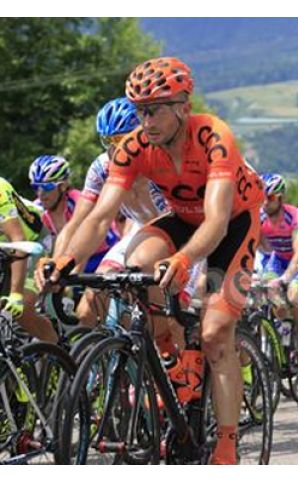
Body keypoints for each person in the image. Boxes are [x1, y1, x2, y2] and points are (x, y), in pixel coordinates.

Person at [39, 57, 264, 464]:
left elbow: (216, 221)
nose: (146, 121)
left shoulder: (213, 136)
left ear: (182, 107)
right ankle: (172, 359)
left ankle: (227, 445)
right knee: (136, 264)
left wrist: (183, 259)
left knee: (215, 334)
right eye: (140, 111)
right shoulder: (133, 147)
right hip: (181, 218)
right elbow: (100, 216)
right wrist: (66, 261)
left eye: (155, 110)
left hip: (233, 225)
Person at [43, 97, 169, 326]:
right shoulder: (102, 168)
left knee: (168, 322)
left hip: (184, 235)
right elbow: (78, 223)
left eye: (121, 140)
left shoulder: (163, 162)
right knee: (91, 302)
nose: (114, 150)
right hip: (144, 232)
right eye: (107, 141)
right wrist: (58, 263)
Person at [257, 173, 298, 384]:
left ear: (280, 198)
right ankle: (285, 327)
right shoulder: (260, 217)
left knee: (294, 294)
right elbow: (256, 246)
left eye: (271, 197)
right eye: (262, 198)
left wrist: (287, 277)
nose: (265, 202)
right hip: (278, 259)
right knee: (271, 296)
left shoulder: (294, 215)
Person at [0, 176, 57, 343]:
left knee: (22, 310)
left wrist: (16, 294)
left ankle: (55, 351)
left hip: (33, 242)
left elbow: (19, 241)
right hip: (4, 245)